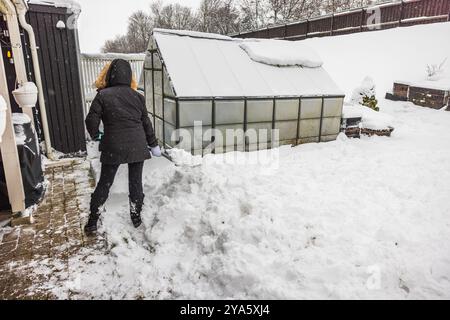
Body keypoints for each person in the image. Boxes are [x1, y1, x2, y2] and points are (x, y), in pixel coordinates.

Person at [84, 59, 161, 234]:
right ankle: (136, 216)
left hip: (113, 146)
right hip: (137, 145)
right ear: (129, 76)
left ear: (110, 75)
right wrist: (153, 145)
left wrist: (97, 135)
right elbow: (146, 123)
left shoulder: (103, 95)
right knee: (135, 183)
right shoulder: (137, 97)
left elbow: (90, 120)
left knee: (105, 183)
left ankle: (92, 222)